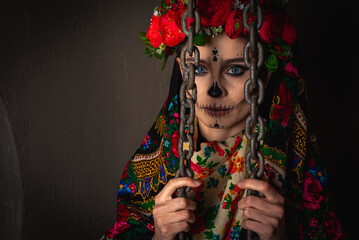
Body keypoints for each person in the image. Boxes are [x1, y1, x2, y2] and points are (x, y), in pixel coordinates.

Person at [101, 0, 345, 239]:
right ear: (181, 70)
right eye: (198, 69)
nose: (213, 90)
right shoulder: (147, 175)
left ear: (265, 76)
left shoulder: (299, 180)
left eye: (236, 70)